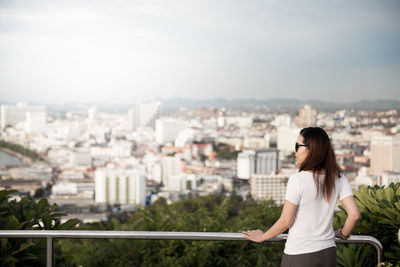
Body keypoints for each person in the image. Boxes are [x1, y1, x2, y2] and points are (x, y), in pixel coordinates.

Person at [242, 127, 360, 267]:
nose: (295, 150)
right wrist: (344, 234)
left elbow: (285, 221)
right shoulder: (339, 178)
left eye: (298, 146)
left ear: (312, 149)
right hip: (328, 254)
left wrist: (262, 237)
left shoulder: (297, 179)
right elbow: (354, 215)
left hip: (299, 254)